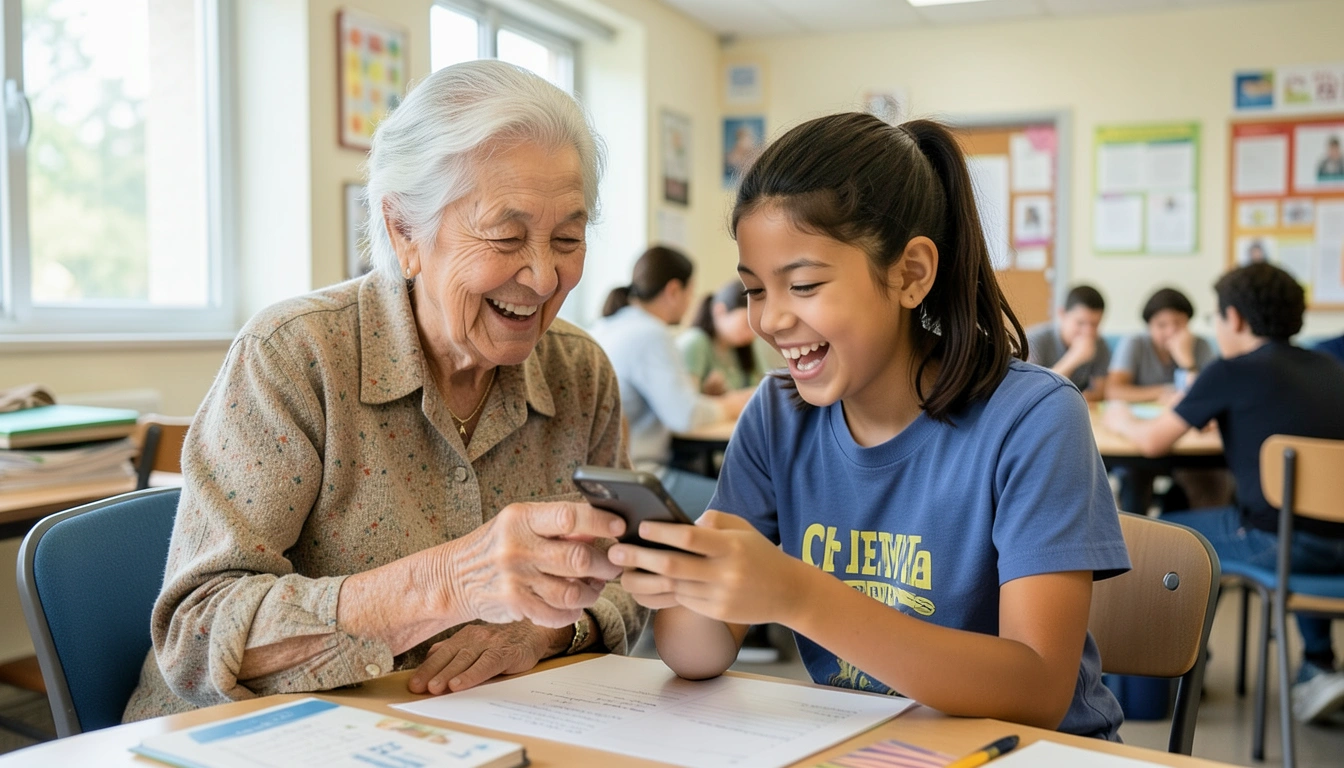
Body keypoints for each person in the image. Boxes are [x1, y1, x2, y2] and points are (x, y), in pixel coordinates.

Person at [122, 61, 645, 721]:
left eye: (568, 239)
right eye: (506, 237)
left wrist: (544, 628)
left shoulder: (581, 373)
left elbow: (625, 569)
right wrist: (449, 583)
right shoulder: (295, 356)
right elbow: (198, 638)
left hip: (468, 728)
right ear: (403, 231)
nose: (543, 277)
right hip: (251, 740)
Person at [609, 113, 1131, 739]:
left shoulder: (1034, 418)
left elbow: (1039, 688)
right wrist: (682, 582)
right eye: (753, 290)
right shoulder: (777, 415)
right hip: (872, 747)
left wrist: (797, 595)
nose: (770, 320)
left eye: (802, 285)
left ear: (910, 274)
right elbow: (699, 655)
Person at [1104, 263, 1344, 724]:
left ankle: (1168, 669)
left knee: (1157, 536)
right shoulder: (1331, 369)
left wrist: (1121, 421)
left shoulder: (1229, 372)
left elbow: (1153, 441)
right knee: (1296, 517)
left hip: (1278, 544)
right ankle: (1318, 664)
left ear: (1234, 318)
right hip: (1335, 545)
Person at [591, 247, 753, 517]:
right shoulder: (651, 334)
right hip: (639, 479)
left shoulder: (605, 326)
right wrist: (734, 403)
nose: (690, 302)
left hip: (600, 481)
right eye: (690, 293)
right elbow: (685, 416)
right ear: (674, 290)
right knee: (751, 505)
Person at [1107, 287, 1217, 404]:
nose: (1171, 331)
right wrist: (1164, 392)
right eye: (1161, 325)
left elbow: (1213, 391)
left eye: (1178, 323)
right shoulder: (1134, 343)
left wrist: (1187, 361)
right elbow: (1113, 391)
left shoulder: (1201, 345)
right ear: (1149, 326)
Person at [678, 279, 767, 395]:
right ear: (720, 311)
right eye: (747, 323)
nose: (753, 333)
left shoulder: (742, 348)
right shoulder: (695, 341)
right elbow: (686, 404)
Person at [1025, 285, 1110, 401]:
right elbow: (1031, 390)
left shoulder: (1100, 344)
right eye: (1080, 323)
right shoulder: (1034, 340)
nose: (1088, 332)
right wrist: (1074, 358)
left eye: (1094, 324)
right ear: (1062, 314)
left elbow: (1100, 392)